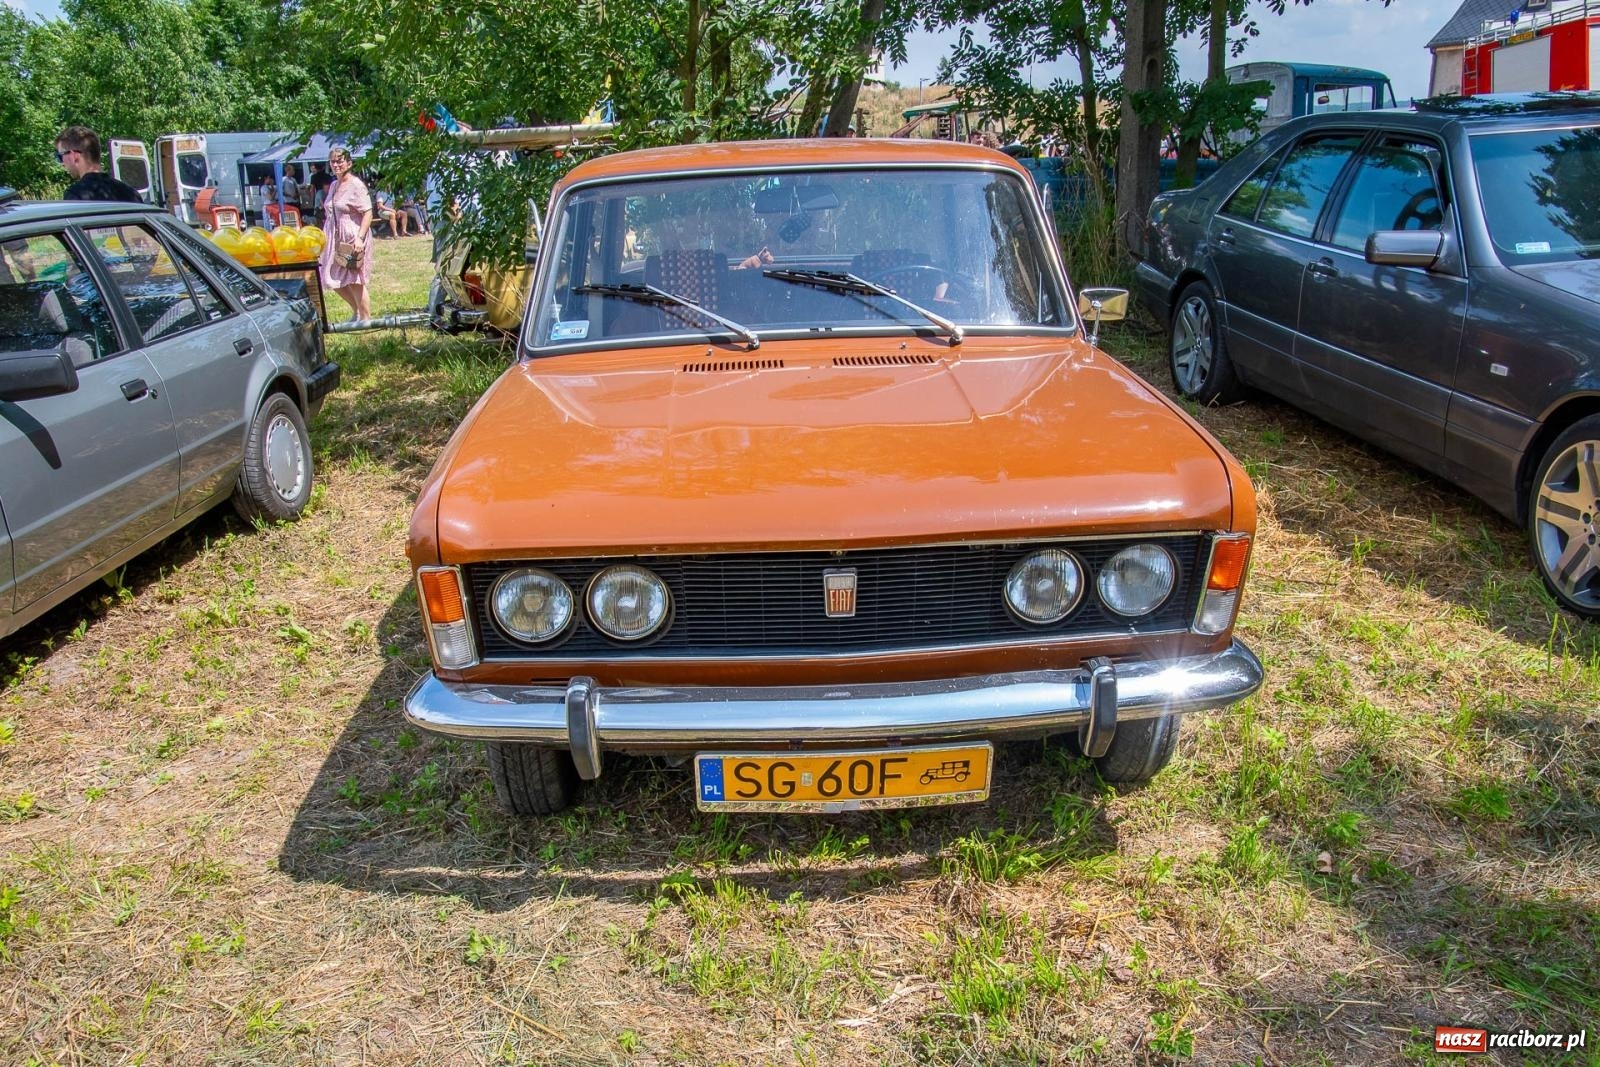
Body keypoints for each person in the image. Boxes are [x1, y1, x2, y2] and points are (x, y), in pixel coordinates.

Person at [318, 146, 374, 321]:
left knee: (354, 279)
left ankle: (365, 319)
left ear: (349, 163)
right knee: (328, 275)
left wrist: (360, 238)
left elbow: (368, 212)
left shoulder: (356, 184)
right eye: (333, 161)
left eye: (340, 160)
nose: (336, 164)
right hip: (334, 237)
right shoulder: (334, 184)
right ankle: (356, 310)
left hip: (352, 236)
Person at [55, 126, 142, 203]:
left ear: (74, 156)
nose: (62, 163)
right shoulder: (131, 194)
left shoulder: (76, 195)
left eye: (60, 156)